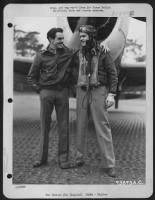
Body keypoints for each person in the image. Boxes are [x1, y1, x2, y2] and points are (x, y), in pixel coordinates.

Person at [27, 28, 76, 169]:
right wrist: (40, 90)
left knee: (64, 127)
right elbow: (31, 76)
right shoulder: (41, 56)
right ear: (50, 39)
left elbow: (83, 54)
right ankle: (42, 159)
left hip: (62, 92)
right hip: (46, 93)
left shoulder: (69, 53)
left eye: (63, 38)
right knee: (44, 127)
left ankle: (63, 160)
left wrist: (101, 47)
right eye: (59, 39)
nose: (62, 41)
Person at [73, 25, 118, 177]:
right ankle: (79, 158)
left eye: (84, 36)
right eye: (80, 36)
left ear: (91, 36)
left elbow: (112, 73)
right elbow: (71, 67)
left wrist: (111, 94)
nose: (81, 39)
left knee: (102, 126)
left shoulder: (104, 52)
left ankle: (109, 164)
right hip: (82, 91)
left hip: (99, 90)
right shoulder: (78, 52)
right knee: (80, 125)